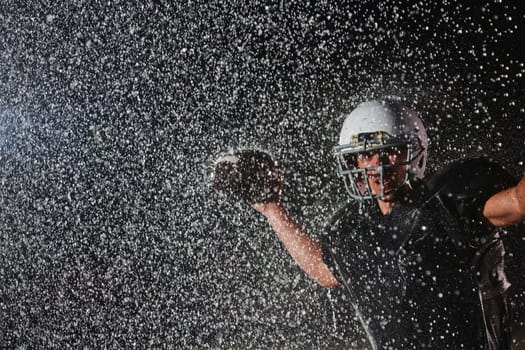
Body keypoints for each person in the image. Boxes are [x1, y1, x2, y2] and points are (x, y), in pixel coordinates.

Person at [250, 100, 525, 349]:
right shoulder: (354, 227)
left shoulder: (450, 202)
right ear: (353, 160)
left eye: (389, 152)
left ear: (413, 152)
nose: (376, 165)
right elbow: (323, 270)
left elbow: (518, 202)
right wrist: (272, 207)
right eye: (366, 155)